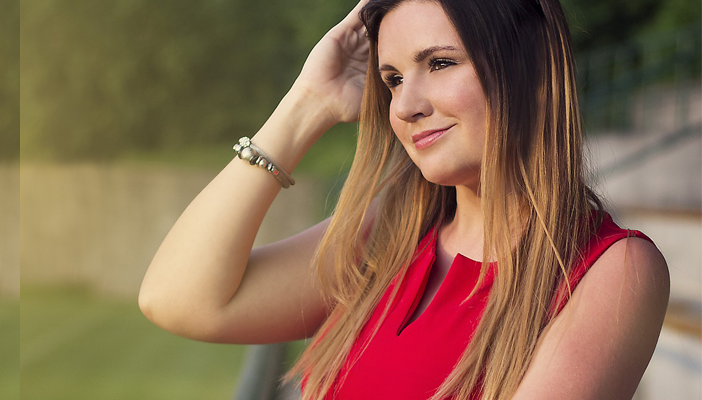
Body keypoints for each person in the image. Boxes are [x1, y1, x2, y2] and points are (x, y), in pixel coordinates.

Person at [138, 0, 670, 398]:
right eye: (391, 79)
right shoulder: (387, 239)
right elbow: (180, 298)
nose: (405, 105)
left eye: (439, 63)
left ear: (533, 71)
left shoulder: (610, 270)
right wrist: (307, 104)